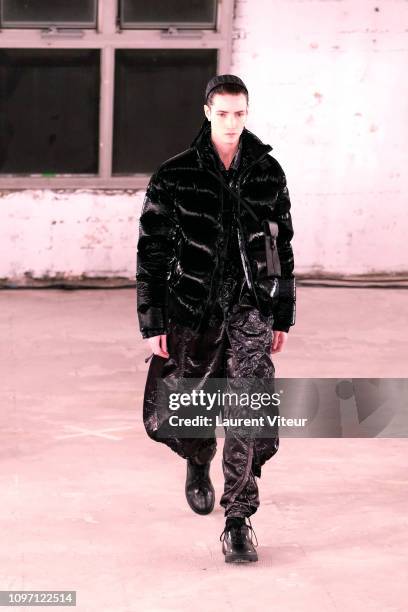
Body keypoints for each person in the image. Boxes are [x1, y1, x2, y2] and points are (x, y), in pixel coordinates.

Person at [136, 74, 296, 563]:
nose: (231, 122)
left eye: (240, 113)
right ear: (207, 112)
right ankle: (198, 457)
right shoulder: (176, 174)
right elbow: (153, 250)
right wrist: (153, 319)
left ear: (248, 113)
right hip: (192, 306)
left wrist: (282, 315)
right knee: (194, 399)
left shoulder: (267, 171)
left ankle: (238, 517)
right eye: (223, 113)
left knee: (248, 404)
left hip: (250, 306)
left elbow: (282, 246)